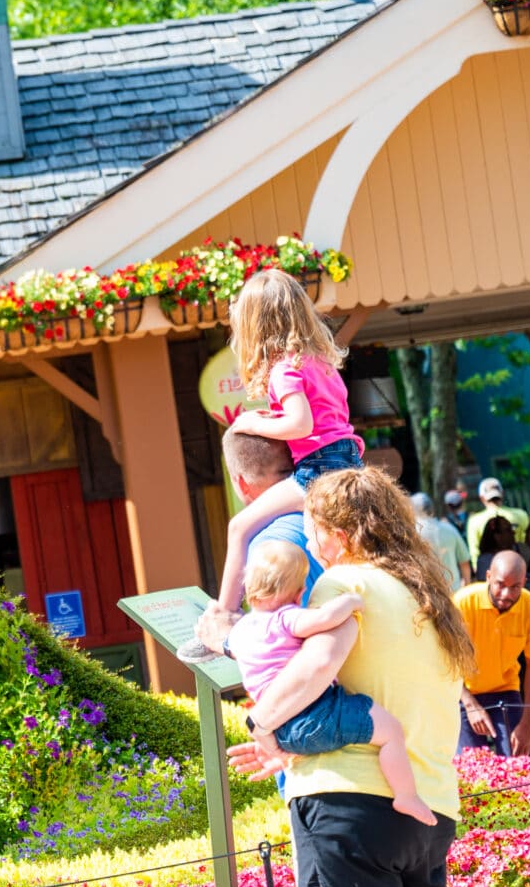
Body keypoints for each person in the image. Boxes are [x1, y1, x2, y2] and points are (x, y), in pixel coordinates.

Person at [228, 469, 505, 887]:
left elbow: (319, 665)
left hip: (349, 802)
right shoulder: (429, 597)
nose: (307, 535)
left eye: (313, 524)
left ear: (340, 532)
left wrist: (262, 725)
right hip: (428, 806)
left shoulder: (342, 584)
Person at [224, 540, 435, 823]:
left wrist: (276, 747)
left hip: (280, 730)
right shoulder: (285, 619)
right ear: (299, 594)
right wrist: (352, 601)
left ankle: (282, 755)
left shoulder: (239, 633)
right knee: (391, 731)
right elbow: (325, 618)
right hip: (317, 713)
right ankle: (406, 796)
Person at [212, 268, 363, 615]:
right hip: (347, 460)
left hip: (319, 469)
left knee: (240, 527)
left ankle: (225, 614)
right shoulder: (321, 363)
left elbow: (300, 423)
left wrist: (252, 422)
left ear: (256, 326)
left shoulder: (284, 370)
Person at [179, 432, 324, 663]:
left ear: (242, 483)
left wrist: (225, 640)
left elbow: (282, 652)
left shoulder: (266, 547)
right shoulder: (336, 520)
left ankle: (225, 613)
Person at [453, 552, 530, 756]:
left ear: (524, 582)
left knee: (517, 761)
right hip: (462, 691)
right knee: (472, 765)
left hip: (505, 690)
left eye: (515, 587)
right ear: (487, 577)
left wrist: (526, 725)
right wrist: (469, 704)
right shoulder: (461, 602)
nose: (507, 594)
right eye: (500, 584)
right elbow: (445, 659)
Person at [411, 491, 471, 590]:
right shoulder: (449, 529)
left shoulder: (412, 533)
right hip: (453, 591)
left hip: (427, 594)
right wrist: (467, 586)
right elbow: (464, 561)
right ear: (432, 509)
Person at [464, 477, 530, 559]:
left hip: (491, 565)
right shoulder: (521, 514)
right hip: (520, 561)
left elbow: (474, 553)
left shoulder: (474, 521)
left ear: (481, 497)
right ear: (502, 493)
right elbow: (527, 542)